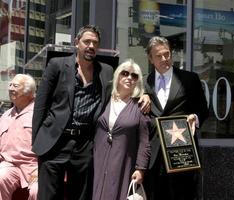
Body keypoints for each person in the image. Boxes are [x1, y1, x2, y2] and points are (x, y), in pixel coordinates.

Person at [32, 25, 150, 200]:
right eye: (87, 41)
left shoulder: (105, 70)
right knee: (48, 196)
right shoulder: (57, 65)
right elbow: (41, 105)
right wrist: (37, 141)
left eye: (95, 43)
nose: (91, 46)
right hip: (54, 143)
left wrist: (145, 93)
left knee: (80, 195)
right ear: (76, 43)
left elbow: (128, 79)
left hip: (84, 145)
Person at [144, 36, 209, 200]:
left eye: (167, 54)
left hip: (181, 153)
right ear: (150, 58)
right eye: (158, 56)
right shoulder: (143, 82)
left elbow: (203, 110)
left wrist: (195, 117)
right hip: (153, 155)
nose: (165, 59)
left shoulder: (190, 79)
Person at [92, 59, 151, 200]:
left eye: (134, 75)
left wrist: (140, 169)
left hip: (124, 163)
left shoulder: (140, 106)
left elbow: (145, 142)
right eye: (125, 73)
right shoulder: (105, 98)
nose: (129, 78)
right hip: (97, 160)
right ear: (118, 76)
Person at [0, 74, 38, 200]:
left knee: (37, 191)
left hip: (34, 166)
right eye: (10, 84)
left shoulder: (40, 113)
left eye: (15, 85)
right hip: (9, 163)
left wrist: (41, 168)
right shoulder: (6, 115)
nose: (10, 88)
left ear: (28, 92)